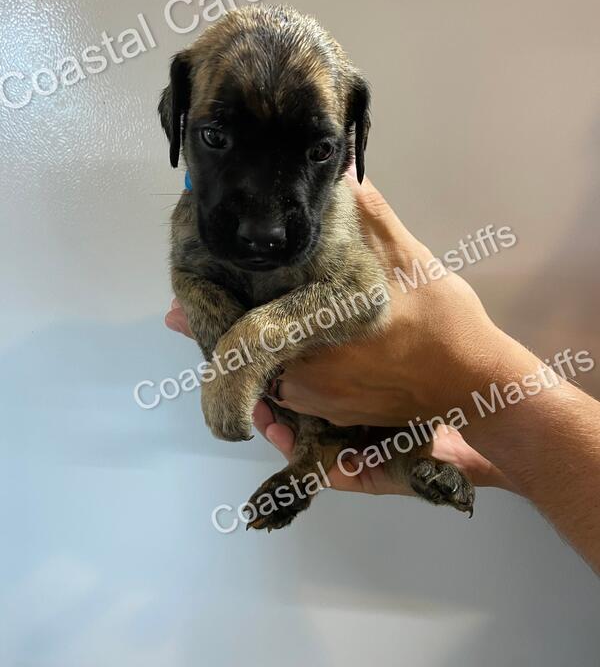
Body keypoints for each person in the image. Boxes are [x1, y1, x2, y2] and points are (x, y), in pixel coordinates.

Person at [165, 174, 600, 573]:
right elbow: (189, 275)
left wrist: (465, 382)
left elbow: (362, 293)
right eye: (216, 137)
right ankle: (314, 463)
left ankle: (347, 460)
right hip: (315, 403)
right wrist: (482, 457)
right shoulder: (198, 218)